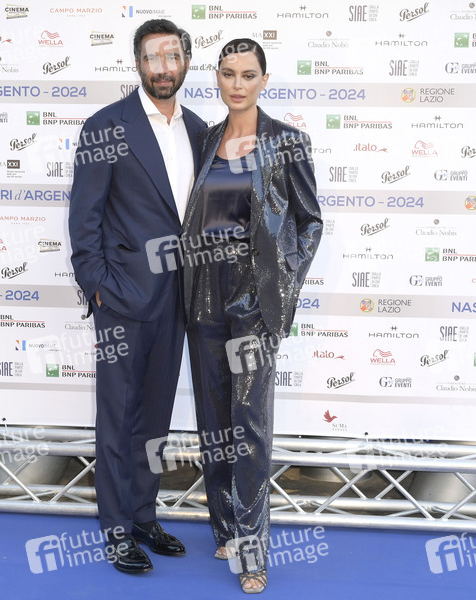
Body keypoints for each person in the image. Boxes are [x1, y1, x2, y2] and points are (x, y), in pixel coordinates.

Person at [180, 38, 322, 593]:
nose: (236, 84)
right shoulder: (206, 139)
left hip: (253, 297)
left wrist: (280, 287)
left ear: (264, 79)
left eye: (247, 74)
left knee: (250, 425)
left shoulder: (287, 142)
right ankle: (225, 526)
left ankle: (252, 550)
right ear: (216, 77)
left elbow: (309, 222)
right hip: (204, 294)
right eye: (227, 73)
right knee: (214, 421)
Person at [68, 19, 207, 574]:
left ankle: (144, 515)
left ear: (186, 62)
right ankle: (116, 527)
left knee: (155, 419)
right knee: (117, 418)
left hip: (179, 299)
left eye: (172, 57)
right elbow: (84, 219)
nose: (163, 68)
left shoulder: (199, 129)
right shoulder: (107, 126)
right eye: (153, 58)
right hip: (123, 299)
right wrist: (99, 288)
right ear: (138, 64)